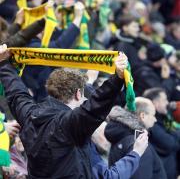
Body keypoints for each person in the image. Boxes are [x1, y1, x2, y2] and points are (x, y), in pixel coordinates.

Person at [0, 44, 128, 178]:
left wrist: (3, 64)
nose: (85, 100)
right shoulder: (69, 124)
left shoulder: (29, 114)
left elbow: (16, 93)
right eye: (84, 96)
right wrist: (116, 80)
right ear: (78, 94)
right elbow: (94, 107)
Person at [104, 97, 167, 179]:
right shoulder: (139, 143)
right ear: (143, 116)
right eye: (153, 115)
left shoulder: (122, 136)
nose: (155, 120)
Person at [143, 87, 180, 179]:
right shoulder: (152, 125)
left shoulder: (163, 119)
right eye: (164, 100)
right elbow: (171, 144)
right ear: (155, 103)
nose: (167, 103)